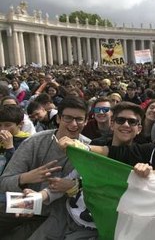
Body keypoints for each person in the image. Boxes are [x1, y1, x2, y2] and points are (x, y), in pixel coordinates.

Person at [0, 96, 90, 239]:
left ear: (85, 121)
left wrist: (73, 186)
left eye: (79, 119)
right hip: (24, 203)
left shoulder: (89, 149)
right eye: (68, 118)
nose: (74, 124)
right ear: (59, 118)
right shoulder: (35, 142)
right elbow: (4, 182)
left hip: (60, 214)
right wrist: (26, 178)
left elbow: (93, 188)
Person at [0, 105, 31, 174]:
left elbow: (18, 167)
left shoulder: (27, 141)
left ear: (20, 124)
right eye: (0, 125)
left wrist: (9, 147)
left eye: (7, 125)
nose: (2, 129)